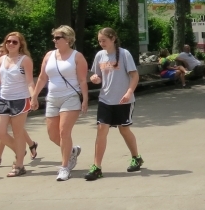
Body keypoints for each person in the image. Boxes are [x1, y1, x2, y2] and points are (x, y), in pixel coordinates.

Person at [32, 25, 88, 181]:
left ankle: (65, 167)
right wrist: (35, 96)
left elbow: (83, 80)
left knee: (64, 132)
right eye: (54, 37)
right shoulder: (49, 55)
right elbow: (43, 77)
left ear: (68, 40)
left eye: (58, 38)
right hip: (52, 98)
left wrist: (85, 99)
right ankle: (72, 151)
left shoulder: (77, 57)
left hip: (70, 97)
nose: (54, 40)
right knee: (52, 134)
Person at [86, 28, 143, 180]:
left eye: (104, 40)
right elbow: (96, 74)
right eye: (99, 41)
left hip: (123, 100)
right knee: (101, 130)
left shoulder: (124, 54)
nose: (101, 43)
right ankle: (97, 167)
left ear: (112, 39)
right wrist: (95, 78)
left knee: (124, 130)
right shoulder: (99, 55)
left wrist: (129, 92)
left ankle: (136, 157)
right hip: (105, 99)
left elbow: (134, 75)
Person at [0, 31, 38, 177]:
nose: (10, 44)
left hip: (20, 99)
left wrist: (34, 98)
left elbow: (30, 81)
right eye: (8, 41)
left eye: (14, 42)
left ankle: (19, 165)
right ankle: (21, 152)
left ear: (20, 45)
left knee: (18, 133)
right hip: (3, 100)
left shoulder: (25, 60)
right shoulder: (2, 60)